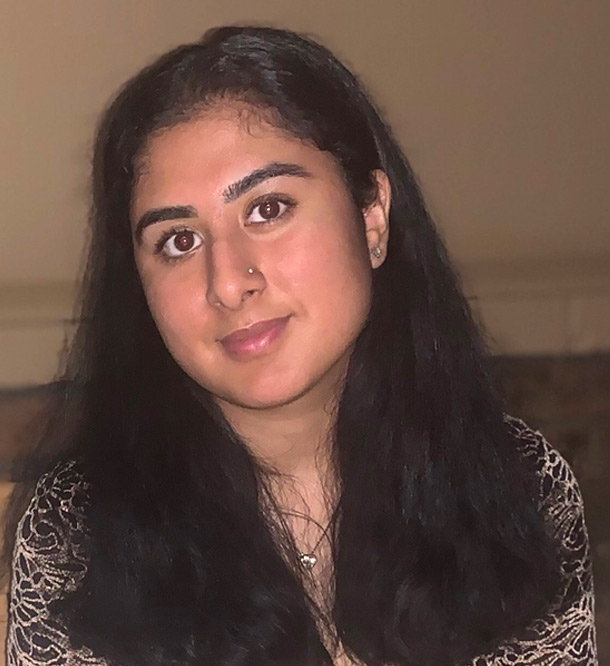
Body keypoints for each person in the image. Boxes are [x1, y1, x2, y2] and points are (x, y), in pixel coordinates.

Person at [2, 25, 597, 666]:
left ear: (372, 216)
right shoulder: (78, 534)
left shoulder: (520, 489)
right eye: (178, 240)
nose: (228, 283)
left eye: (268, 209)